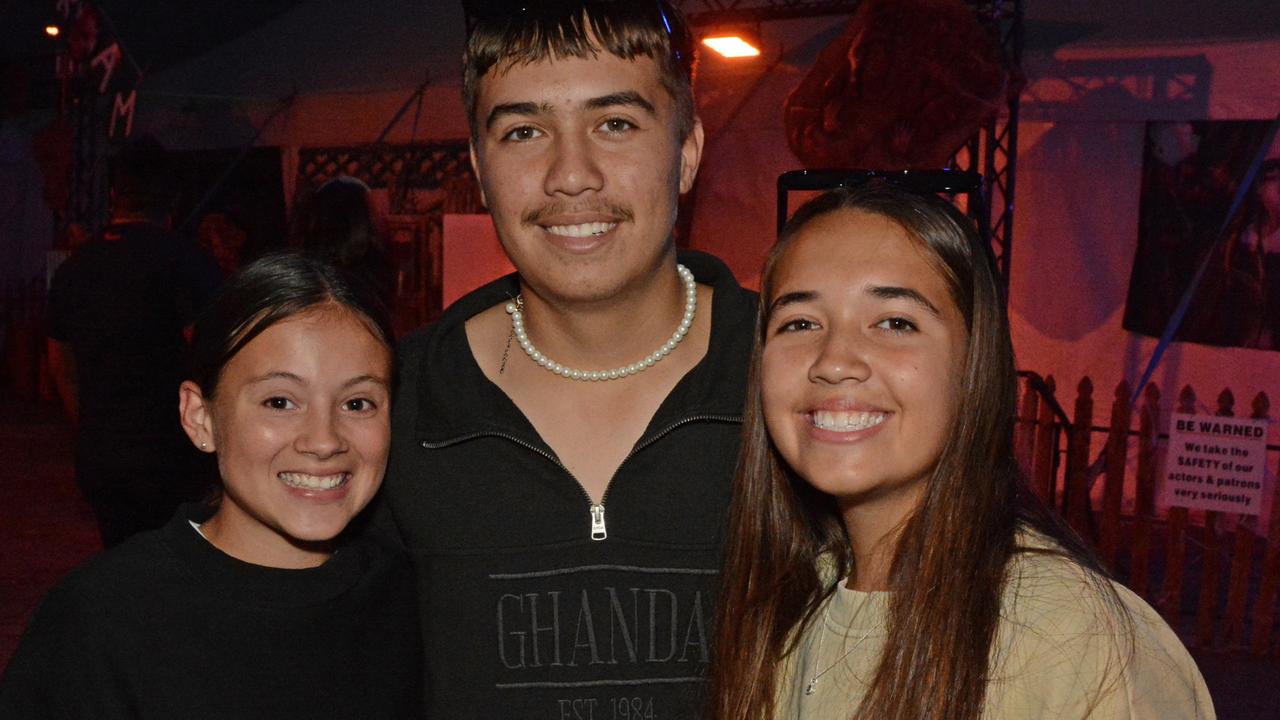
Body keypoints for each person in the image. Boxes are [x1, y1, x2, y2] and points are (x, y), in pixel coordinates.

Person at [707, 182, 1215, 719]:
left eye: (895, 322)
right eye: (800, 323)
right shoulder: (787, 606)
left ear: (975, 363)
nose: (833, 361)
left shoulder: (1076, 639)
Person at [377, 1, 757, 716]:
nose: (570, 175)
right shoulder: (398, 405)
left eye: (615, 124)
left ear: (687, 152)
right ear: (480, 169)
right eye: (524, 131)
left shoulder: (799, 381)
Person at [0, 253, 421, 719]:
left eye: (358, 402)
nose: (323, 440)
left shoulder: (416, 600)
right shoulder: (103, 620)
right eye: (279, 401)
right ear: (200, 418)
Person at [47, 138, 222, 547]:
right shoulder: (187, 262)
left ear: (113, 196)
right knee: (178, 566)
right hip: (171, 455)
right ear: (171, 201)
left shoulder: (75, 268)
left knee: (123, 561)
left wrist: (90, 424)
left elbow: (61, 364)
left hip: (102, 453)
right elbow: (214, 354)